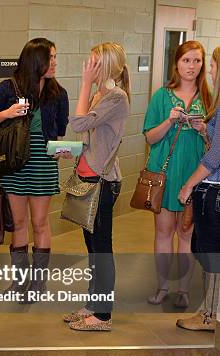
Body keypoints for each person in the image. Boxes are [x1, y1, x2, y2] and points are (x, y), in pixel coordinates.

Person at [0, 38, 69, 299]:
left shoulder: (58, 93)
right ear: (36, 60)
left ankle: (38, 285)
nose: (54, 63)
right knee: (18, 223)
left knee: (40, 223)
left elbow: (60, 132)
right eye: (50, 57)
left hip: (43, 167)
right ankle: (19, 283)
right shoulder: (8, 88)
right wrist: (7, 113)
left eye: (55, 57)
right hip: (14, 166)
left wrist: (66, 151)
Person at [63, 42, 130, 332]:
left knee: (102, 247)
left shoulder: (116, 98)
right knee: (92, 247)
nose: (88, 67)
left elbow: (77, 123)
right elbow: (89, 137)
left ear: (107, 66)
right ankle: (93, 303)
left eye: (93, 63)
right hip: (87, 176)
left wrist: (84, 85)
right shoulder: (101, 95)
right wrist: (70, 149)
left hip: (103, 181)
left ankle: (103, 315)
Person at [143, 41, 212, 309]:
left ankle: (183, 290)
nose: (191, 67)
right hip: (165, 172)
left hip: (193, 173)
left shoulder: (209, 97)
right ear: (177, 63)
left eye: (196, 61)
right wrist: (169, 121)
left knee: (186, 231)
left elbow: (214, 144)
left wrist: (203, 130)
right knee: (163, 231)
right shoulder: (161, 95)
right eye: (186, 61)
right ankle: (161, 287)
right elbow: (150, 136)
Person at [176, 45, 220, 331]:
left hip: (215, 192)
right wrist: (207, 131)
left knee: (213, 259)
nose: (211, 71)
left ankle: (210, 315)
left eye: (214, 66)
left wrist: (188, 184)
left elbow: (215, 157)